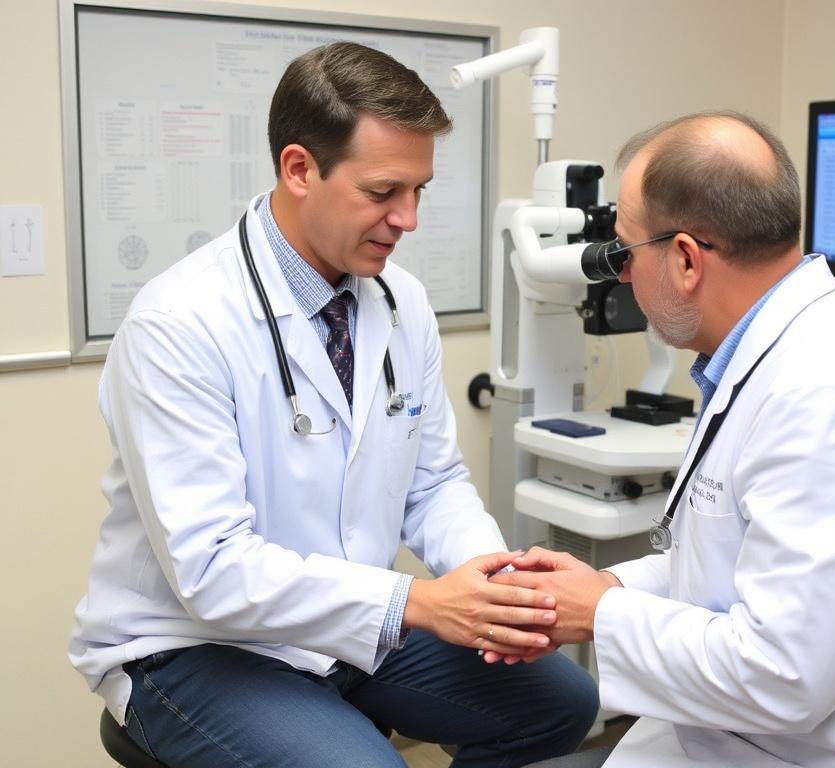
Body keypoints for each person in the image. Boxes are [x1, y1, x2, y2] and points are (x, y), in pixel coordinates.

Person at [69, 42, 597, 768]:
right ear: (299, 169)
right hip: (195, 643)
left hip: (346, 626)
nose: (408, 218)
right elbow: (213, 570)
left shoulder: (401, 301)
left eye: (420, 190)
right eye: (383, 192)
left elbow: (434, 483)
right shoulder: (179, 323)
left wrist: (493, 585)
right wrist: (417, 604)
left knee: (563, 703)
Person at [502, 112, 835, 767]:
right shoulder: (762, 358)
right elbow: (726, 570)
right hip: (736, 738)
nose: (622, 276)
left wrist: (601, 614)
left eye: (626, 252)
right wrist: (601, 585)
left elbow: (782, 677)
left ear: (685, 259)